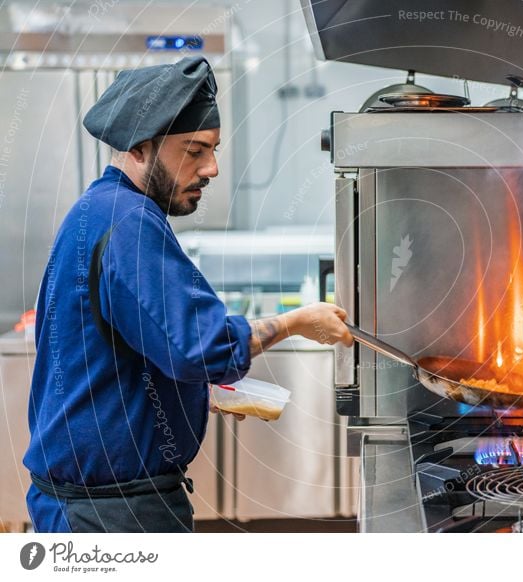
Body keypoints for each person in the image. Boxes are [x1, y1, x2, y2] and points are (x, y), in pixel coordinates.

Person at [23, 56, 352, 533]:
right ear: (140, 147)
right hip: (112, 517)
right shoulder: (130, 224)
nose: (212, 168)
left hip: (87, 506)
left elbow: (125, 348)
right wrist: (298, 321)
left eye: (213, 149)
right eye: (194, 151)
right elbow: (203, 346)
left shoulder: (97, 208)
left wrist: (193, 396)